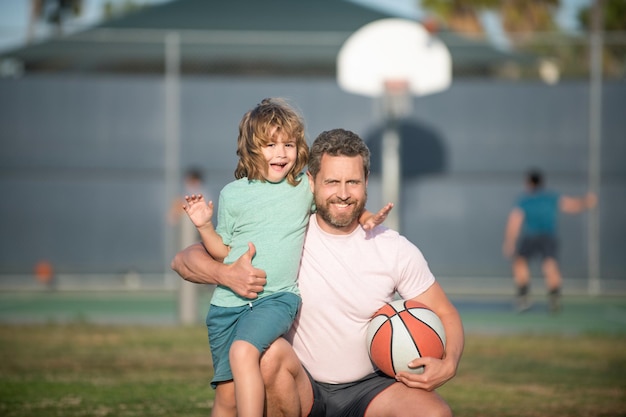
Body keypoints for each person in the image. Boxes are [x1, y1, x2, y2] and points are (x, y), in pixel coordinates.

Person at [172, 128, 464, 417]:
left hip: (373, 387)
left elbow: (445, 313)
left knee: (433, 413)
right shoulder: (285, 231)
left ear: (366, 182)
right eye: (332, 182)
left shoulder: (393, 248)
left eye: (353, 182)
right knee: (269, 355)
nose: (343, 193)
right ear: (311, 181)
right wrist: (224, 274)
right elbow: (184, 260)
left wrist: (449, 363)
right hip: (301, 383)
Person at [181, 101, 390, 417]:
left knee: (243, 352)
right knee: (227, 398)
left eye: (288, 145)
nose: (281, 153)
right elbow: (222, 252)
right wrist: (203, 225)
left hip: (275, 299)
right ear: (252, 148)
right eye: (270, 145)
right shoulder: (232, 195)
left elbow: (338, 202)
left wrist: (366, 216)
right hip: (226, 306)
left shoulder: (302, 187)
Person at [503, 169, 597, 313]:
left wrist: (509, 242)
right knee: (548, 264)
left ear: (529, 183)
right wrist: (586, 201)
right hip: (547, 237)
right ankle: (553, 299)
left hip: (533, 236)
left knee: (523, 263)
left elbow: (514, 221)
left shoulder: (525, 200)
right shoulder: (551, 197)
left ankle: (525, 298)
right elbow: (571, 205)